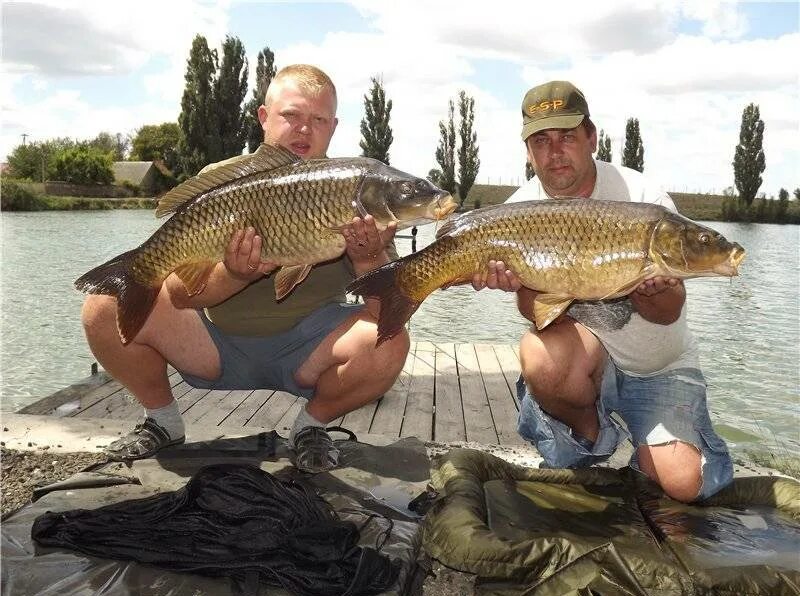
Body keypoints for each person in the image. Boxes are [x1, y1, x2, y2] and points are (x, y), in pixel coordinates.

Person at [81, 64, 409, 473]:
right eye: (292, 115)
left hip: (309, 350)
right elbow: (182, 295)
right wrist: (239, 272)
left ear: (334, 126)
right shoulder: (219, 182)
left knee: (390, 342)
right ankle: (162, 422)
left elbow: (387, 313)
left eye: (318, 119)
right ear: (263, 117)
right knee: (104, 304)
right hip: (215, 345)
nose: (305, 130)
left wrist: (367, 257)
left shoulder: (355, 191)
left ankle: (310, 427)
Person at [472, 81, 733, 502]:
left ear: (591, 138)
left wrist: (646, 291)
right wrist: (516, 283)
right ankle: (593, 435)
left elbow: (668, 314)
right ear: (527, 150)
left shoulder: (645, 201)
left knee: (683, 486)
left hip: (657, 366)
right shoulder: (518, 210)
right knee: (540, 355)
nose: (555, 152)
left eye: (567, 137)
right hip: (585, 360)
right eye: (541, 140)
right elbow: (537, 311)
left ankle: (650, 443)